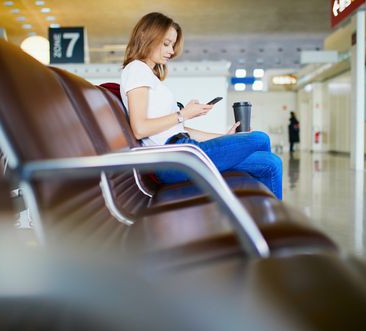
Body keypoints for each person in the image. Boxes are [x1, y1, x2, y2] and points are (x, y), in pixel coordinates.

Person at [120, 12, 282, 200]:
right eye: (166, 44)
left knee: (271, 163)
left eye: (172, 45)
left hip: (184, 150)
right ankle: (267, 221)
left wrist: (224, 136)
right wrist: (183, 114)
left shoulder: (149, 75)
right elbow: (140, 129)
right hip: (174, 159)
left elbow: (179, 129)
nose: (171, 51)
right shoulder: (137, 69)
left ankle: (266, 222)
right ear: (147, 37)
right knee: (259, 138)